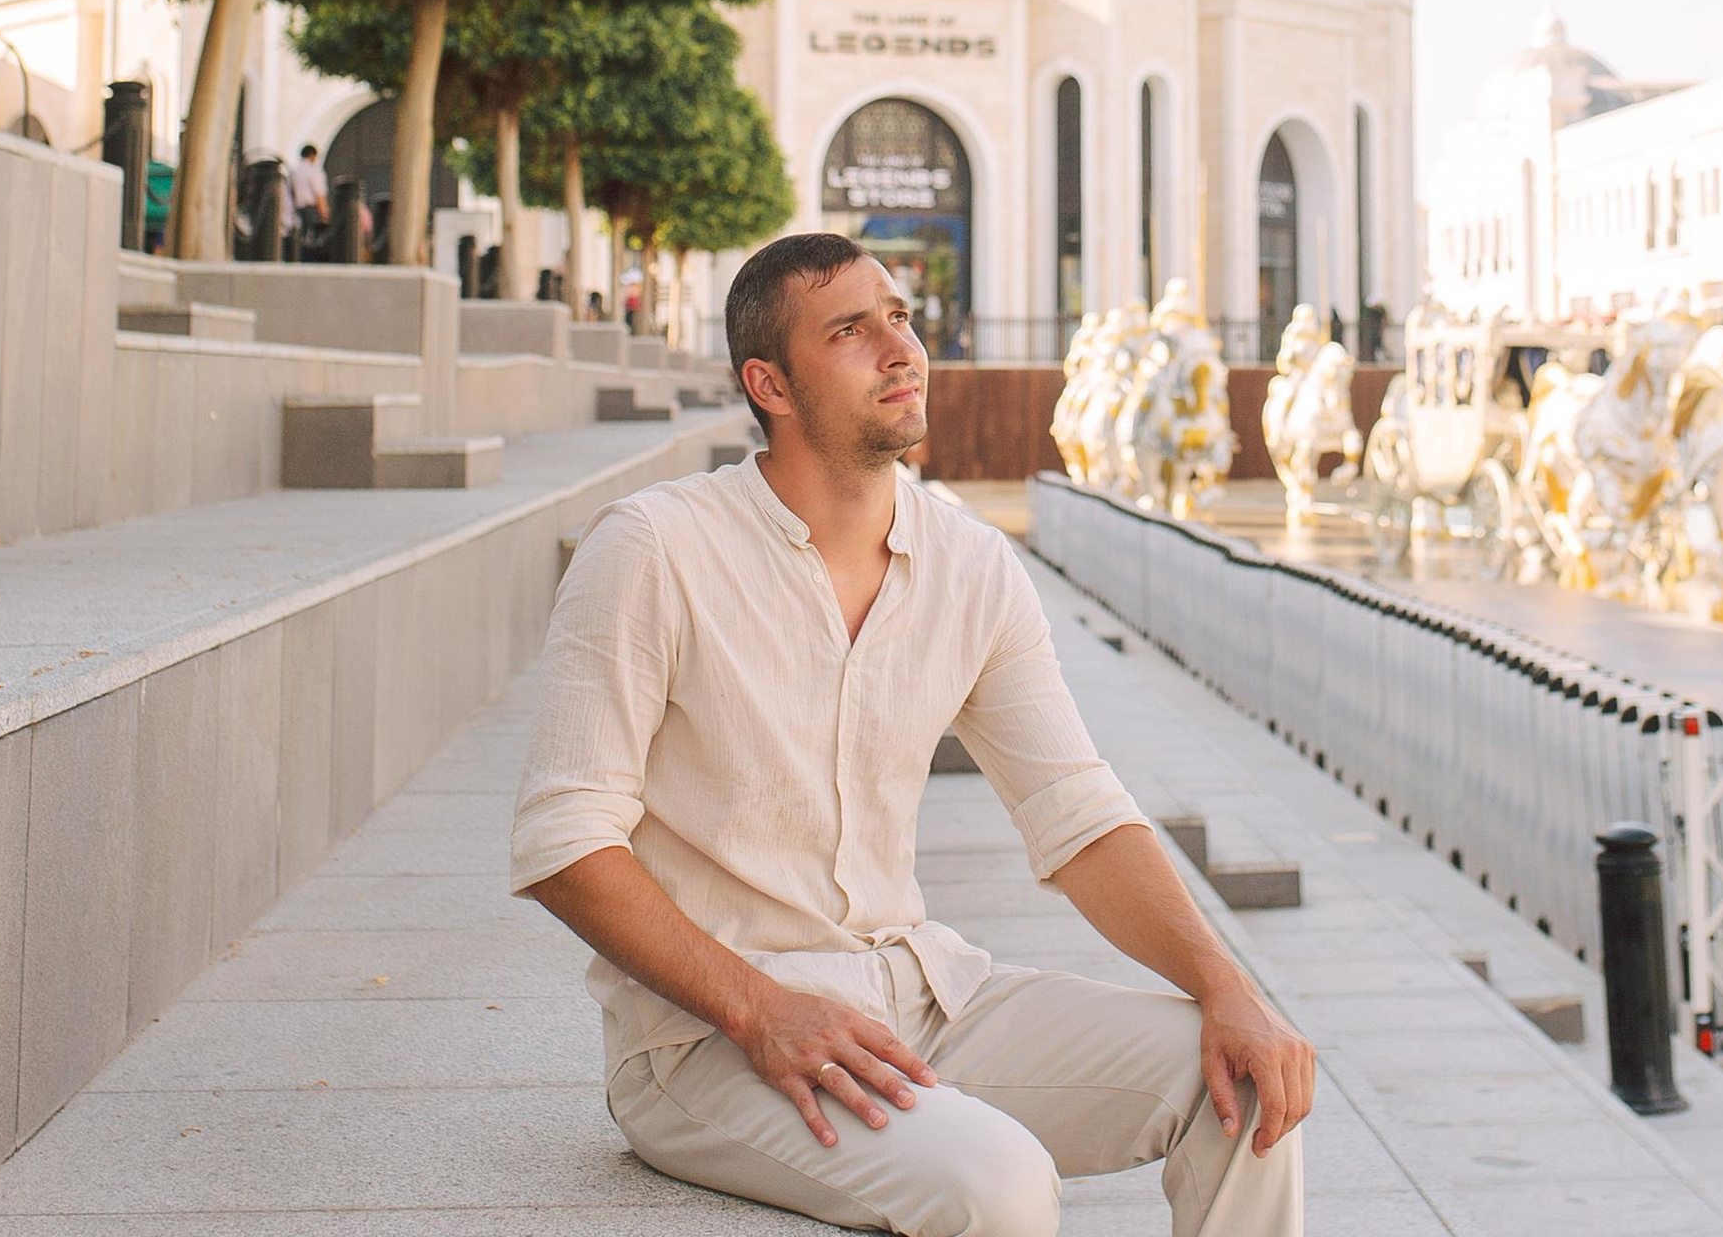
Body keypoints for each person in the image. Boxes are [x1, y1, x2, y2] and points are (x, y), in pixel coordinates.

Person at [512, 233, 1311, 1234]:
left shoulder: (971, 565)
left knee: (1243, 1086)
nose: (900, 348)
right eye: (850, 330)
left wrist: (1225, 984)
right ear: (771, 383)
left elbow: (1077, 812)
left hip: (924, 995)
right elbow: (563, 841)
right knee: (998, 1181)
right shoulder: (655, 547)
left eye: (899, 317)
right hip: (704, 1043)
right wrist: (759, 1007)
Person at [290, 142, 330, 253]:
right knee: (315, 242)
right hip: (312, 211)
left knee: (301, 240)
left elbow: (292, 193)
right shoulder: (314, 170)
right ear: (312, 155)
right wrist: (324, 214)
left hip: (298, 210)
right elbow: (319, 193)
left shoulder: (294, 171)